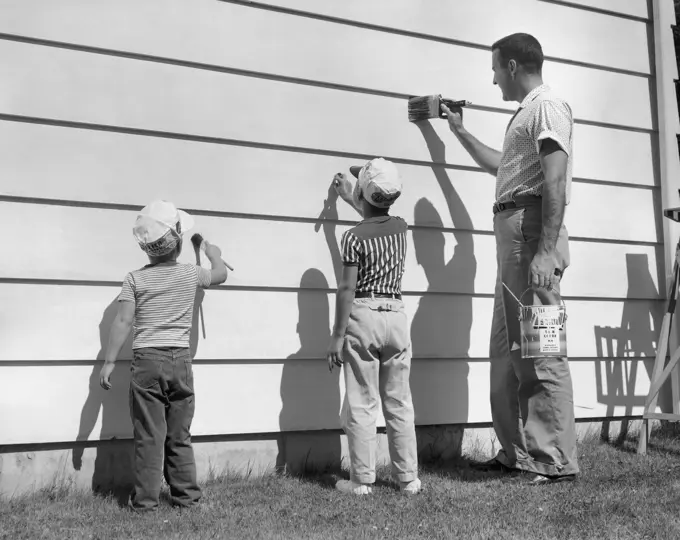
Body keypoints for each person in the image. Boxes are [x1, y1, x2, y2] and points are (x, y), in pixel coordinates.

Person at [437, 33, 578, 484]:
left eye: (496, 67)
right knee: (506, 354)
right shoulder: (526, 115)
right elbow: (504, 166)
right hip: (512, 236)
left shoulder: (547, 107)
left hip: (530, 233)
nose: (493, 77)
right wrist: (458, 130)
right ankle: (517, 451)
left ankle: (554, 459)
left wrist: (546, 249)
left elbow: (554, 182)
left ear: (513, 66)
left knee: (540, 350)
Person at [99, 200, 228, 510]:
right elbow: (220, 274)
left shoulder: (134, 279)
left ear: (146, 249)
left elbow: (123, 321)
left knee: (149, 435)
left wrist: (109, 361)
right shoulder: (191, 274)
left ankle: (144, 500)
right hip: (180, 362)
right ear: (179, 242)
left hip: (146, 363)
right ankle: (187, 497)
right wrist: (214, 255)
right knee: (179, 434)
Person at [326, 157, 421, 495]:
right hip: (396, 314)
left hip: (363, 314)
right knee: (399, 400)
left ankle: (362, 481)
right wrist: (355, 194)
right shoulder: (401, 228)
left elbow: (346, 289)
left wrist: (338, 336)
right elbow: (375, 214)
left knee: (362, 401)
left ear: (362, 195)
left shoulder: (353, 238)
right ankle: (408, 478)